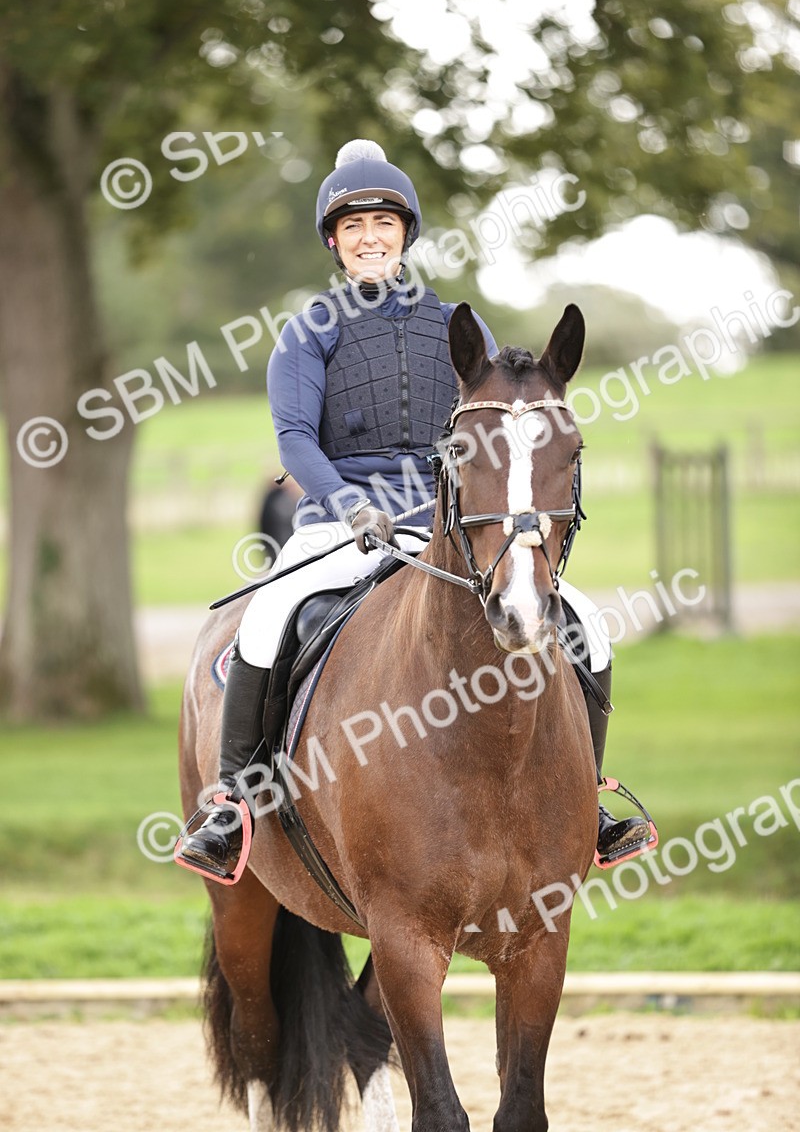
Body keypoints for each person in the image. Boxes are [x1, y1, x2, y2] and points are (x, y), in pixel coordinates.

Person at [177, 139, 651, 882]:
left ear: (406, 234)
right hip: (342, 525)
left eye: (384, 224)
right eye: (354, 227)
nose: (370, 238)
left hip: (447, 528)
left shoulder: (460, 329)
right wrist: (347, 505)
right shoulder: (308, 332)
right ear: (335, 242)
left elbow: (501, 437)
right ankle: (232, 803)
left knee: (585, 624)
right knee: (269, 617)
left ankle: (585, 803)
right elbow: (295, 438)